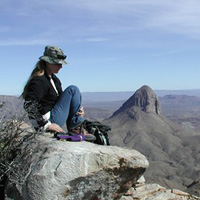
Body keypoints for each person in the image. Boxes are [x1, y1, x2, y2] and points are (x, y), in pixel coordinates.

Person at [21, 45, 94, 140]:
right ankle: (75, 128)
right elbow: (29, 104)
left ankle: (76, 126)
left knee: (72, 91)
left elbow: (62, 101)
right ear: (47, 62)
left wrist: (77, 110)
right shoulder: (39, 81)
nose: (61, 67)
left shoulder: (55, 80)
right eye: (57, 63)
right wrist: (45, 125)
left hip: (53, 117)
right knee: (73, 89)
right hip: (47, 121)